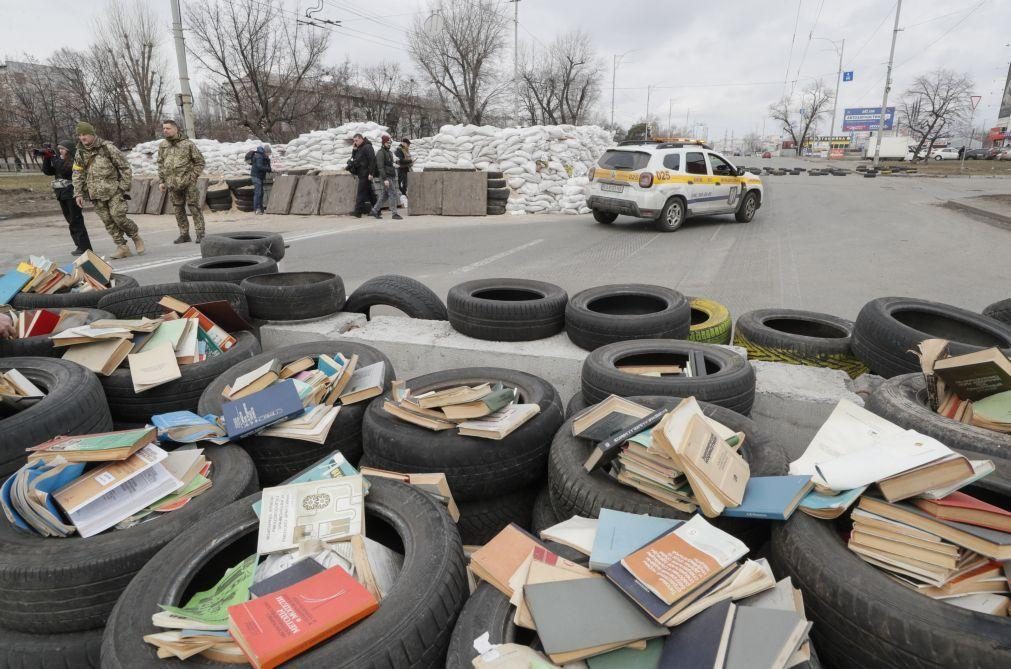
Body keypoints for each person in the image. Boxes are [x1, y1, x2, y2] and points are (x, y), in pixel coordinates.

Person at [72, 121, 144, 260]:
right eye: (80, 135)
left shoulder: (107, 148)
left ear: (92, 134)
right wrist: (78, 193)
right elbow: (77, 174)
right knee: (108, 222)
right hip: (95, 194)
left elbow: (125, 168)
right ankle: (122, 247)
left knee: (118, 217)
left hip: (113, 191)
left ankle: (135, 237)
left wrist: (123, 187)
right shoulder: (80, 153)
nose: (82, 138)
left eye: (85, 134)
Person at [157, 119, 206, 243]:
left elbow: (200, 162)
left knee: (194, 208)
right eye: (164, 128)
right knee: (178, 209)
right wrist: (162, 181)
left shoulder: (187, 144)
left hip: (188, 183)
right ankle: (184, 234)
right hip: (172, 184)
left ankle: (200, 234)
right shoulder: (163, 145)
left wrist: (192, 177)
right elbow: (161, 164)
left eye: (168, 128)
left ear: (175, 129)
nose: (165, 131)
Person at [40, 140, 93, 255]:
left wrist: (53, 157)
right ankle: (79, 246)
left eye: (63, 149)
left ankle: (85, 247)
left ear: (69, 150)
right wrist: (47, 158)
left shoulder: (74, 161)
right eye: (59, 149)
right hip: (62, 194)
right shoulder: (60, 161)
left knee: (76, 220)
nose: (60, 151)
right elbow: (48, 171)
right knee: (70, 220)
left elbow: (64, 171)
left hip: (72, 194)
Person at [371, 135, 401, 220]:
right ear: (383, 142)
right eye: (388, 142)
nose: (389, 144)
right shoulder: (380, 153)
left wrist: (394, 164)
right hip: (385, 177)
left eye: (390, 142)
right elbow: (380, 167)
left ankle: (374, 210)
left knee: (385, 195)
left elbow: (389, 164)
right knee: (393, 193)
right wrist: (384, 179)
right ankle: (394, 213)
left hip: (390, 175)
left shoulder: (388, 152)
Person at [346, 133, 376, 218]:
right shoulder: (359, 148)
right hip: (362, 173)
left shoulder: (367, 147)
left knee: (361, 192)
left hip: (366, 173)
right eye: (354, 141)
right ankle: (377, 209)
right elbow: (355, 159)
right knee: (369, 192)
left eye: (356, 140)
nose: (355, 142)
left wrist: (371, 173)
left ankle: (358, 212)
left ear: (361, 139)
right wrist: (354, 150)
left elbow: (372, 160)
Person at [250, 146, 272, 215]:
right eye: (268, 153)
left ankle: (261, 209)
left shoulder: (264, 157)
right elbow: (260, 166)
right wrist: (269, 169)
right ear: (265, 152)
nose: (269, 155)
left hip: (259, 177)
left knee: (261, 193)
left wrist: (268, 162)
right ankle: (257, 209)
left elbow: (266, 166)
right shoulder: (259, 157)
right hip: (256, 176)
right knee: (258, 193)